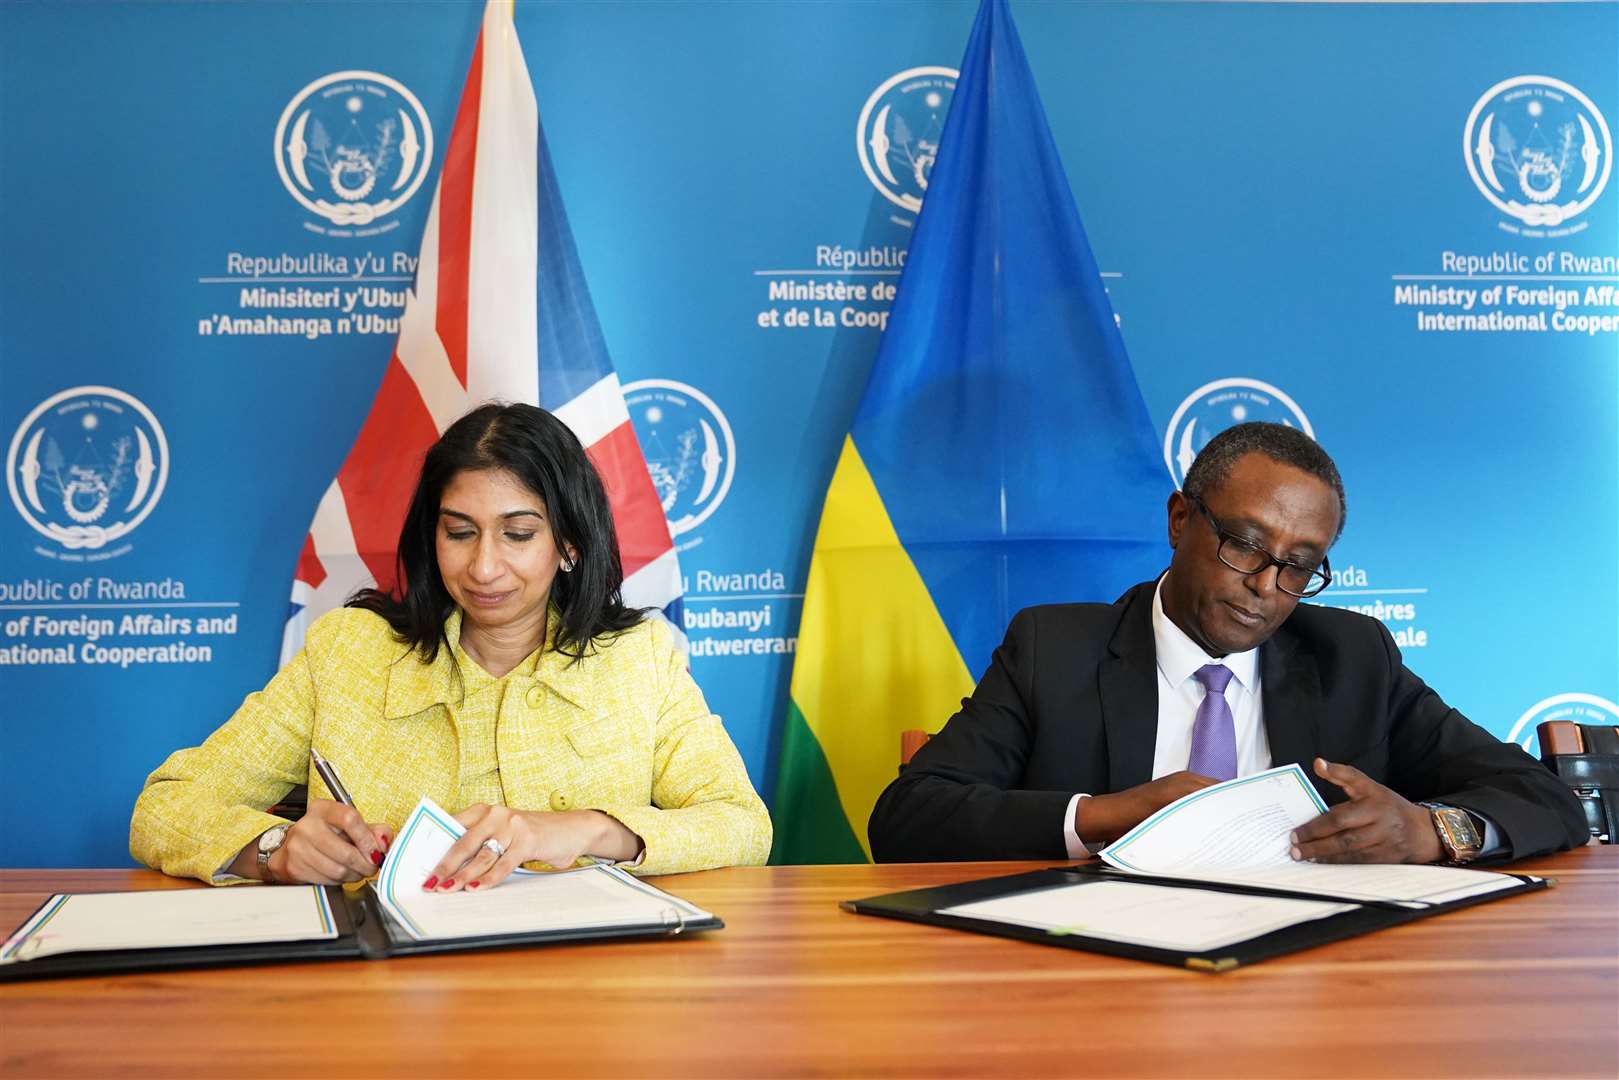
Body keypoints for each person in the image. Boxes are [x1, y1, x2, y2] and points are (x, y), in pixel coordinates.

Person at [868, 422, 1586, 865]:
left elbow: (1543, 798)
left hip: (1305, 983)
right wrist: (1110, 814)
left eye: (1299, 564)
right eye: (1245, 545)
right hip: (1097, 977)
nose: (1268, 586)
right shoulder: (1053, 648)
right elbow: (908, 819)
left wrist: (1433, 832)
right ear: (1180, 520)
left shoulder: (1351, 657)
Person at [131, 402, 771, 889]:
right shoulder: (350, 653)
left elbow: (744, 823)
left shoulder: (639, 660)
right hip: (383, 1005)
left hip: (582, 1000)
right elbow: (164, 805)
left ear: (570, 545)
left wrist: (590, 828)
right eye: (459, 532)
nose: (484, 567)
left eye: (518, 534)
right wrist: (272, 850)